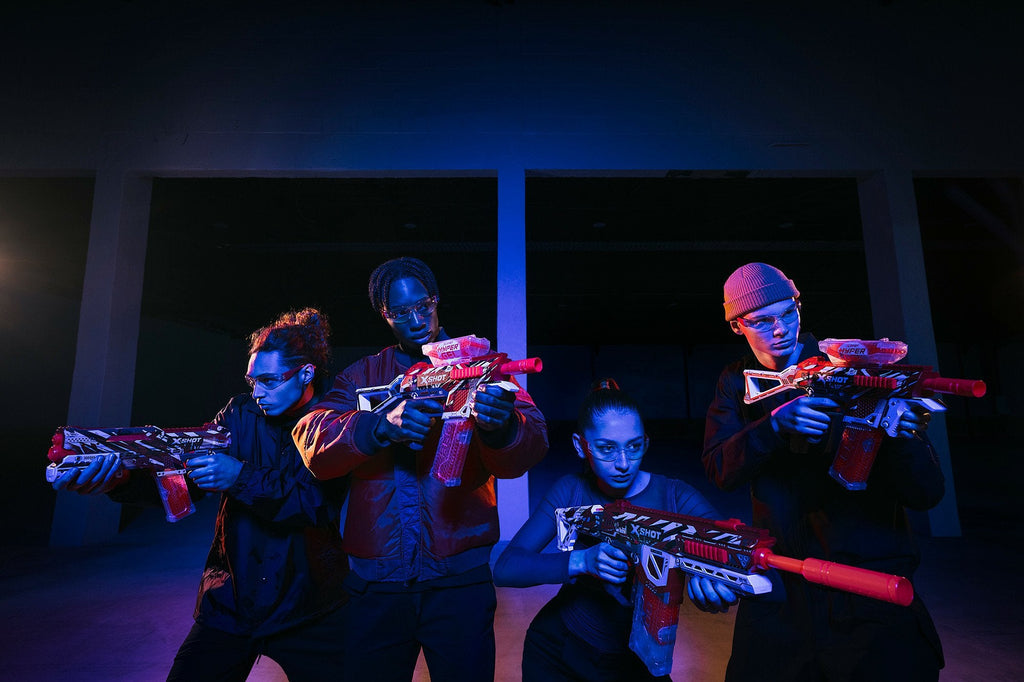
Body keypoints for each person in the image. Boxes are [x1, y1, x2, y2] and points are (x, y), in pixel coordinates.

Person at [53, 308, 349, 682]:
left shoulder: (334, 419)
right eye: (252, 380)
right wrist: (120, 481)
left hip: (311, 605)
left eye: (269, 381)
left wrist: (238, 476)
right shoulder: (238, 413)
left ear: (306, 373)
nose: (257, 392)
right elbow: (185, 484)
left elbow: (316, 504)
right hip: (232, 601)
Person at [292, 256, 549, 682]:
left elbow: (533, 442)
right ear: (384, 314)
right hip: (377, 581)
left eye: (422, 306)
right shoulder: (362, 376)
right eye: (400, 312)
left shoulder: (482, 367)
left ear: (436, 300)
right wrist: (379, 426)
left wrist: (503, 427)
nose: (416, 321)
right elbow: (311, 440)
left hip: (459, 579)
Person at [702, 263, 945, 681]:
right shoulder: (736, 382)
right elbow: (719, 469)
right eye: (761, 321)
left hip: (867, 584)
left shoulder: (852, 367)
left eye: (788, 313)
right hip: (783, 585)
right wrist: (774, 427)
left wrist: (900, 434)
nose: (781, 329)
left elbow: (926, 492)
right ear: (737, 325)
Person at [493, 379, 738, 682]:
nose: (623, 464)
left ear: (646, 442)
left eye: (633, 447)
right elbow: (506, 567)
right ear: (580, 446)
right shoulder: (570, 490)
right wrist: (582, 561)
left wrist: (714, 582)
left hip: (637, 662)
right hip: (558, 653)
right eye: (607, 448)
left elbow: (737, 555)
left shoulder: (675, 496)